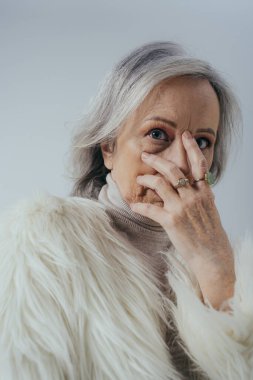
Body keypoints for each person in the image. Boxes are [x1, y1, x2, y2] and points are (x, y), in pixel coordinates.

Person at [0, 41, 252, 380]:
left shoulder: (233, 268)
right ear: (108, 147)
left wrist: (216, 266)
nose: (181, 162)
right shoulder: (44, 244)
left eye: (202, 141)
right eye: (158, 134)